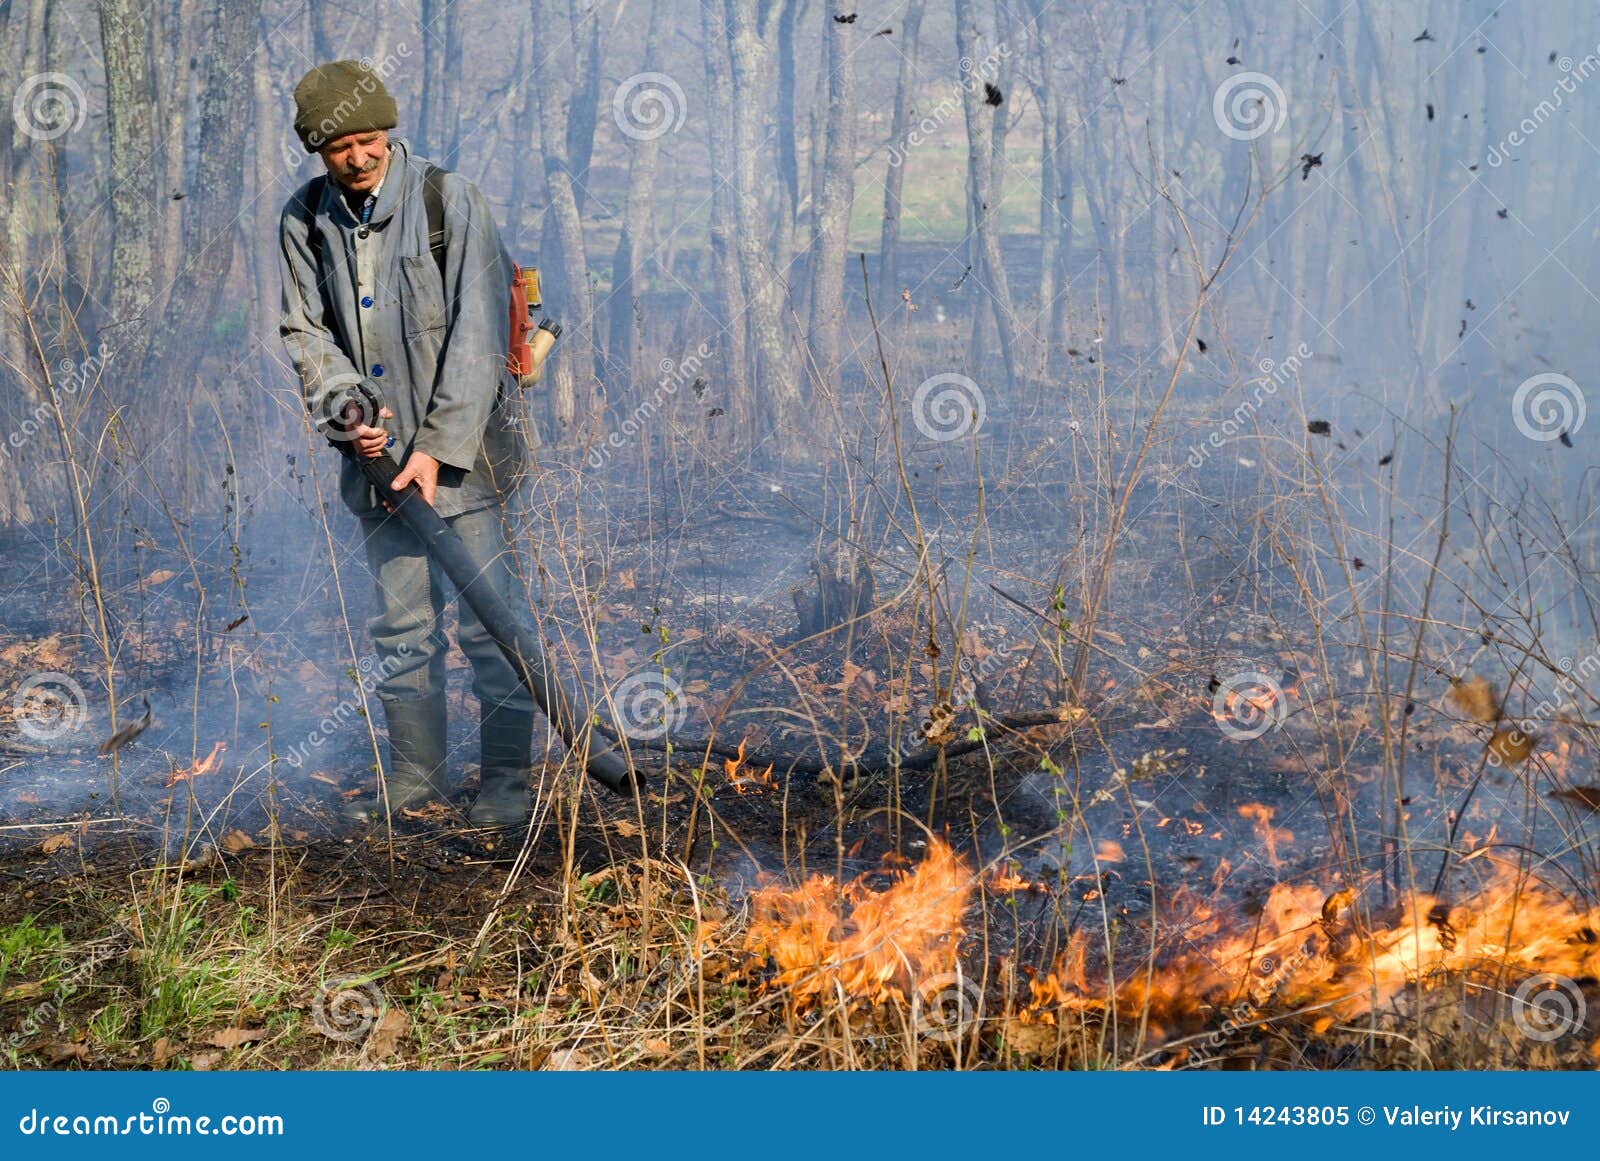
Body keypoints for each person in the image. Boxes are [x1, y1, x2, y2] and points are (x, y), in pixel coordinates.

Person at [277, 59, 618, 828]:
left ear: (387, 130)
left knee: (493, 626)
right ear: (318, 152)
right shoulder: (302, 220)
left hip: (468, 466)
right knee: (402, 629)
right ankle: (416, 781)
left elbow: (476, 336)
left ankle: (505, 783)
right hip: (375, 467)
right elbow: (305, 330)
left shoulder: (448, 199)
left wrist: (434, 448)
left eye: (366, 140)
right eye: (338, 148)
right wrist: (346, 408)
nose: (356, 157)